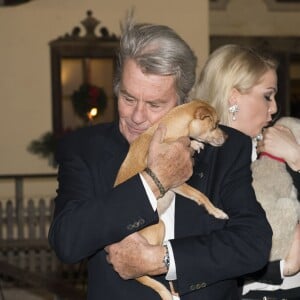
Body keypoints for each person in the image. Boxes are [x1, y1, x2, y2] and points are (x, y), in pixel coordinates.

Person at [48, 19, 272, 300]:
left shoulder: (224, 149)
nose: (138, 117)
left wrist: (163, 259)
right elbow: (67, 241)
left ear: (181, 104)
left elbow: (254, 243)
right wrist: (153, 182)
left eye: (155, 104)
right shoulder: (86, 149)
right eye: (128, 99)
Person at [195, 44, 300, 299]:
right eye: (267, 96)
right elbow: (201, 256)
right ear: (233, 97)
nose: (274, 108)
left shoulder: (284, 144)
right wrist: (281, 268)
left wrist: (297, 159)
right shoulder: (196, 160)